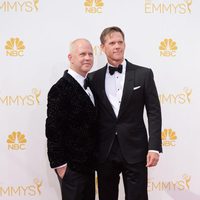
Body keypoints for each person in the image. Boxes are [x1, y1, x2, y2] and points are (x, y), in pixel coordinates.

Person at [88, 26, 162, 200]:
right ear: (102, 47)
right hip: (105, 151)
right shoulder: (93, 78)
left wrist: (154, 147)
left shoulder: (143, 74)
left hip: (136, 150)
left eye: (120, 42)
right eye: (112, 43)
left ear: (125, 44)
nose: (117, 46)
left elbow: (154, 111)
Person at [45, 38, 97, 200]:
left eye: (90, 54)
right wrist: (61, 167)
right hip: (72, 169)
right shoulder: (60, 89)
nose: (87, 57)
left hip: (89, 166)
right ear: (70, 58)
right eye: (82, 54)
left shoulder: (91, 85)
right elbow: (53, 130)